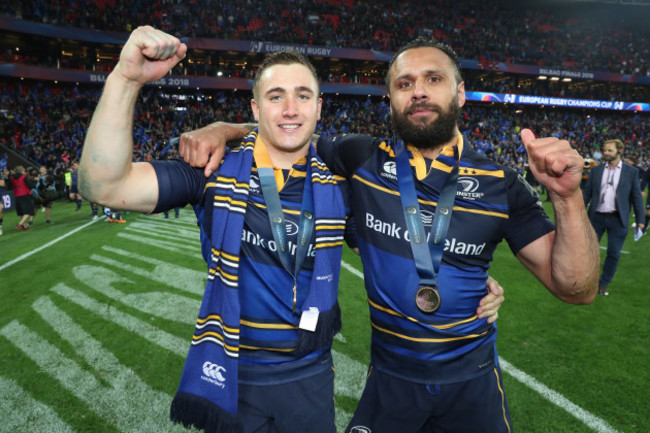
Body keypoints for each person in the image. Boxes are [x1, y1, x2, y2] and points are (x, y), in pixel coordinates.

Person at [78, 28, 504, 433]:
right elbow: (103, 185)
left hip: (311, 378)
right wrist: (126, 78)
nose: (289, 109)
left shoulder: (341, 186)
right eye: (275, 96)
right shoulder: (213, 170)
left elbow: (397, 247)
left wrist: (467, 282)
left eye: (303, 95)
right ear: (255, 109)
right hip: (233, 372)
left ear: (319, 108)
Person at [181, 36, 600, 433]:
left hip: (471, 384)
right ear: (391, 99)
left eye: (433, 79)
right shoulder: (358, 158)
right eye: (404, 83)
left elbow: (576, 288)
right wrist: (226, 128)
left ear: (459, 93)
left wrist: (566, 197)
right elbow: (287, 129)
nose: (418, 91)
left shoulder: (500, 183)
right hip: (390, 381)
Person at [583, 139, 645, 296]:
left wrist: (641, 220)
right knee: (589, 251)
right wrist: (579, 212)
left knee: (614, 253)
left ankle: (603, 284)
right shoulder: (596, 170)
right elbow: (587, 193)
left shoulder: (631, 172)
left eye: (609, 150)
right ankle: (588, 281)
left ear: (620, 152)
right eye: (605, 150)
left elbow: (637, 197)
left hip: (618, 220)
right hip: (596, 217)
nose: (605, 153)